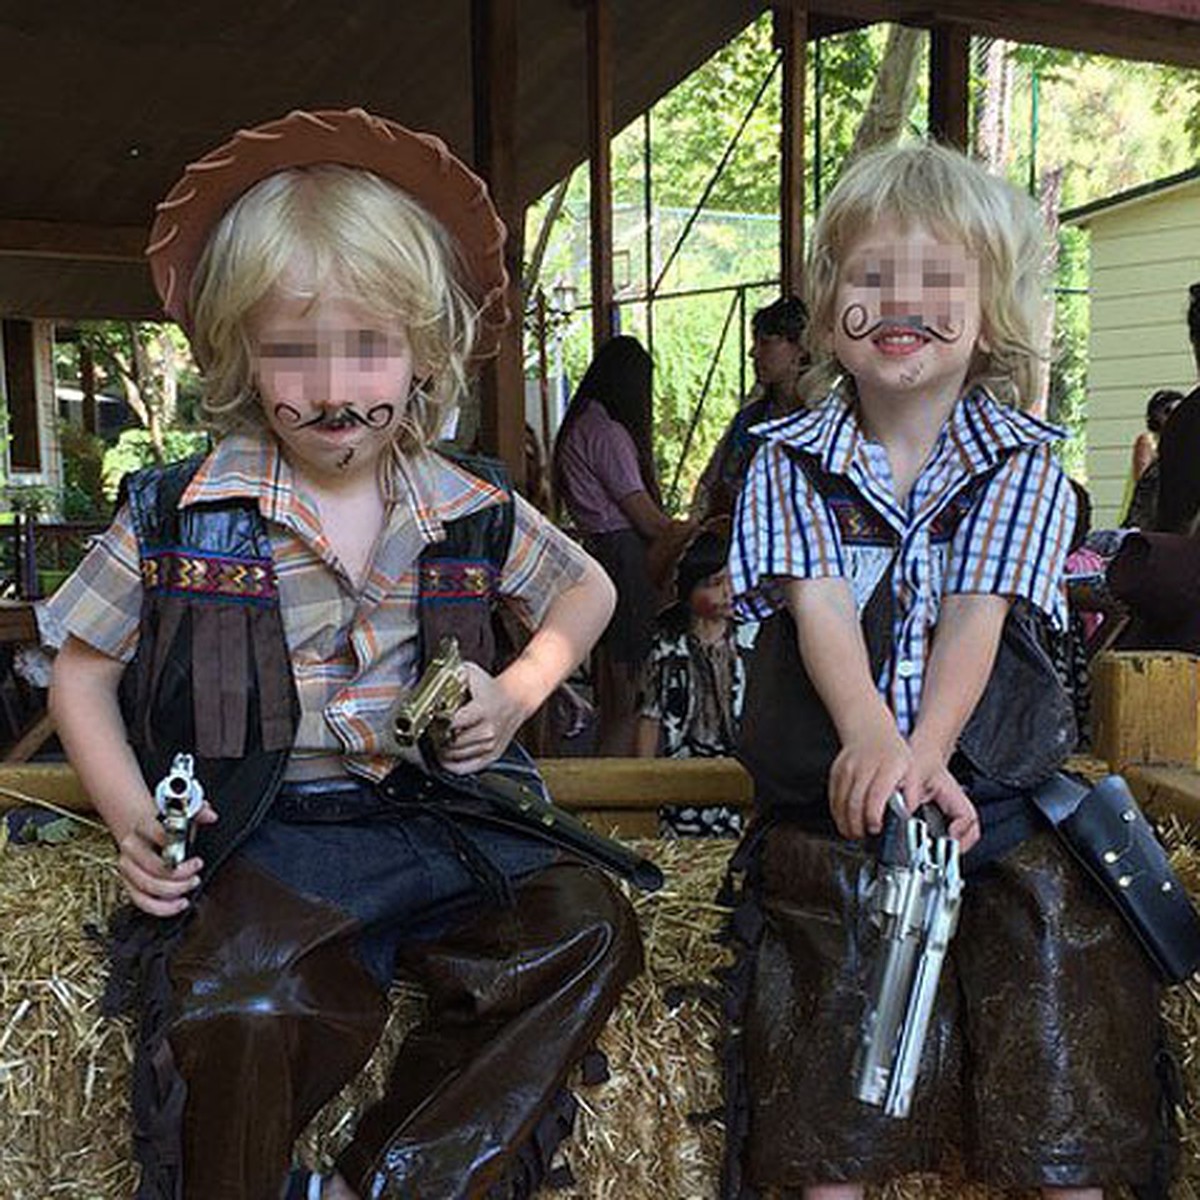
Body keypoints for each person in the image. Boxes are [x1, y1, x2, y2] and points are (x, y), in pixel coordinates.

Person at [46, 108, 645, 1200]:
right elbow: (81, 672)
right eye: (293, 349)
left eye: (367, 346)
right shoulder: (178, 512)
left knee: (584, 934)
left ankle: (395, 1183)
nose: (333, 389)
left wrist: (513, 696)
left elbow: (589, 591)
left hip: (444, 820)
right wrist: (136, 815)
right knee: (239, 1001)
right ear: (237, 351)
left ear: (423, 350)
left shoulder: (470, 502)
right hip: (275, 832)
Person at [721, 142, 1165, 1200]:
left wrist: (926, 755)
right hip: (839, 808)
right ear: (830, 309)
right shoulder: (786, 462)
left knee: (1057, 962)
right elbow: (821, 611)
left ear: (990, 308)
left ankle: (1069, 1173)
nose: (901, 302)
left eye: (936, 281)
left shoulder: (1021, 465)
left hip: (990, 794)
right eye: (871, 278)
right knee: (827, 996)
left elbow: (975, 622)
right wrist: (875, 745)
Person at [552, 334, 692, 755]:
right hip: (624, 558)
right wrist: (692, 528)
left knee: (612, 691)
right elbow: (646, 519)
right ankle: (618, 786)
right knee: (630, 690)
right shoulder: (606, 432)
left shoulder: (578, 424)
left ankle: (605, 781)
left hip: (599, 552)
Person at [634, 529, 752, 836]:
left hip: (738, 769)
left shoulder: (750, 642)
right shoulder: (666, 647)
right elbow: (650, 715)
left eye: (732, 581)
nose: (728, 592)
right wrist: (641, 778)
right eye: (714, 584)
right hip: (680, 768)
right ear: (688, 590)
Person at [690, 296, 809, 525]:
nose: (753, 353)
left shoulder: (825, 422)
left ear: (800, 348)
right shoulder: (750, 420)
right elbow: (713, 485)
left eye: (765, 342)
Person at [1120, 387, 1182, 529]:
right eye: (1168, 411)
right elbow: (1144, 484)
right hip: (1141, 520)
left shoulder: (1180, 443)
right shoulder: (1148, 440)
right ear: (1155, 416)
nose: (1175, 416)